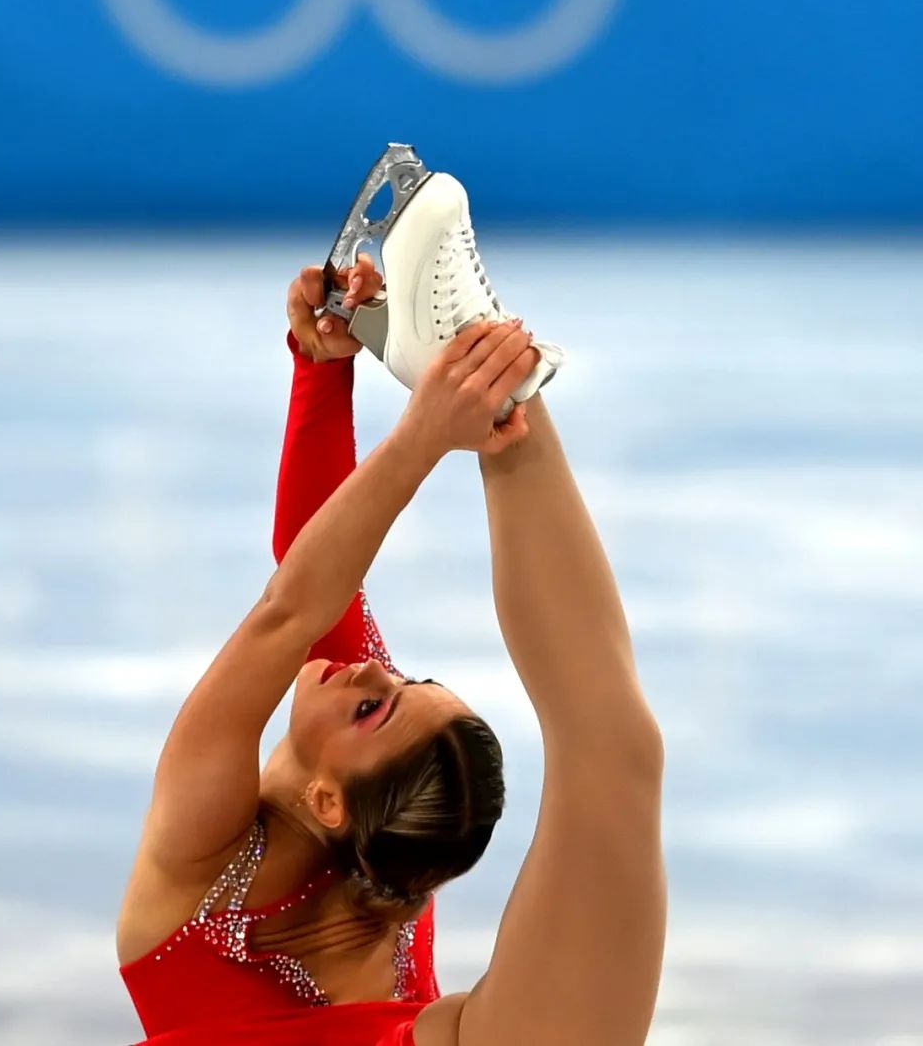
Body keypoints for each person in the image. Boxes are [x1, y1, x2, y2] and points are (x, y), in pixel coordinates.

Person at [116, 256, 667, 1046]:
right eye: (409, 681)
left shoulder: (202, 850)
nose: (374, 666)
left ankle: (486, 361)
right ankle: (488, 362)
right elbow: (312, 590)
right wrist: (341, 381)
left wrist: (366, 396)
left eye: (379, 707)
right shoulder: (381, 837)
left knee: (618, 749)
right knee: (616, 748)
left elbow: (293, 609)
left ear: (333, 801)